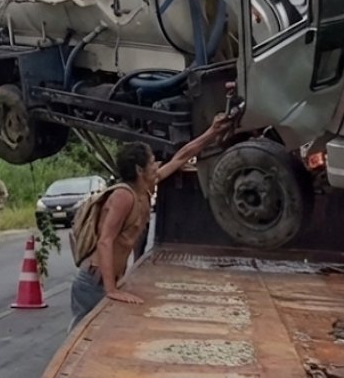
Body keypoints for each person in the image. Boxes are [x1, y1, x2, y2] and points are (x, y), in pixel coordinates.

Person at [69, 113, 232, 330]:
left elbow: (181, 157)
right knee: (81, 341)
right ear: (139, 170)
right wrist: (112, 291)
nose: (156, 165)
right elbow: (105, 241)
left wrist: (213, 131)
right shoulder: (123, 196)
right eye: (152, 161)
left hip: (106, 280)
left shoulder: (143, 189)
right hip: (93, 284)